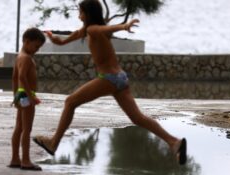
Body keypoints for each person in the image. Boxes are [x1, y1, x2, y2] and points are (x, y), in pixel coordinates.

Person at [33, 0, 187, 165]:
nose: (79, 14)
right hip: (120, 78)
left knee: (70, 102)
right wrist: (51, 37)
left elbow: (105, 28)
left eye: (81, 11)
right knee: (138, 118)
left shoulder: (93, 29)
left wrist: (124, 26)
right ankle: (173, 142)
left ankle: (53, 143)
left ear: (89, 14)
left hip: (109, 79)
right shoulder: (85, 30)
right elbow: (62, 41)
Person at [8, 28, 45, 171]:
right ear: (26, 41)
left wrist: (15, 96)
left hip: (20, 94)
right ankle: (26, 161)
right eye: (36, 46)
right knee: (27, 129)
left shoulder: (19, 56)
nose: (37, 50)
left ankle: (15, 159)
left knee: (19, 127)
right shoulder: (27, 58)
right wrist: (31, 96)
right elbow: (22, 77)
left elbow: (14, 78)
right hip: (26, 96)